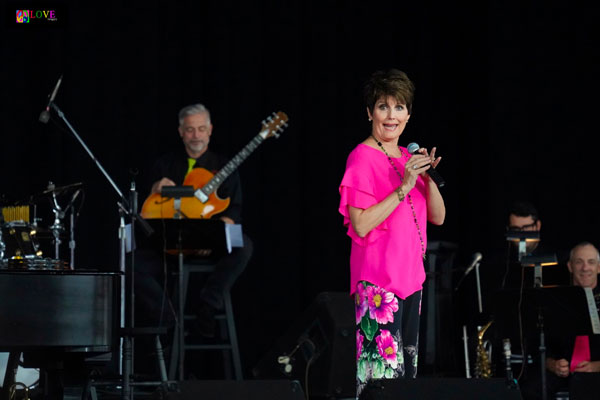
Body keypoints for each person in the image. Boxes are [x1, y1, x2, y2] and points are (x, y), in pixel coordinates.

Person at [338, 69, 446, 398]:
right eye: (383, 107)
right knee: (380, 383)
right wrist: (404, 187)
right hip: (378, 285)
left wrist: (426, 176)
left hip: (411, 278)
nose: (391, 116)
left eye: (399, 108)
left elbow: (439, 217)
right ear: (370, 112)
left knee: (405, 383)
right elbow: (360, 223)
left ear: (409, 115)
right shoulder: (361, 158)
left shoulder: (406, 158)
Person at [135, 103, 253, 340]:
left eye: (201, 128)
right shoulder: (164, 164)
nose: (196, 135)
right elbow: (145, 211)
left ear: (210, 130)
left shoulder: (224, 165)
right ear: (181, 131)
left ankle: (208, 304)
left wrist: (220, 231)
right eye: (190, 130)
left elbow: (235, 209)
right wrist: (155, 188)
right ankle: (167, 320)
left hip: (211, 244)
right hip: (172, 245)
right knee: (131, 262)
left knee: (244, 246)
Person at [520, 242, 600, 400]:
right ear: (570, 266)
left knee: (584, 386)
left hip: (596, 369)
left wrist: (596, 366)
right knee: (528, 390)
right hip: (560, 370)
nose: (585, 268)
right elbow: (537, 344)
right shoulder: (555, 300)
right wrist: (552, 364)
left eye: (591, 262)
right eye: (579, 262)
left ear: (599, 267)